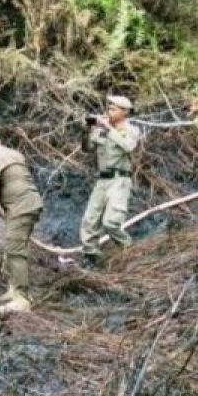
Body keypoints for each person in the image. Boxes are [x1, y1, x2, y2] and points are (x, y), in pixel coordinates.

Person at [0, 128, 44, 313]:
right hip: (31, 202)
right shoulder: (14, 154)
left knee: (14, 250)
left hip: (21, 207)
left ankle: (22, 299)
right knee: (12, 246)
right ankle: (13, 290)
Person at [79, 96, 141, 268]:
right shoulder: (102, 129)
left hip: (119, 180)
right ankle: (91, 256)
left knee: (111, 222)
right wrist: (86, 131)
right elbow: (87, 149)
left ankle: (129, 249)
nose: (109, 112)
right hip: (102, 181)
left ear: (124, 112)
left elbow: (129, 146)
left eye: (114, 109)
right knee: (90, 220)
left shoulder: (131, 130)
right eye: (109, 108)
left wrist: (109, 128)